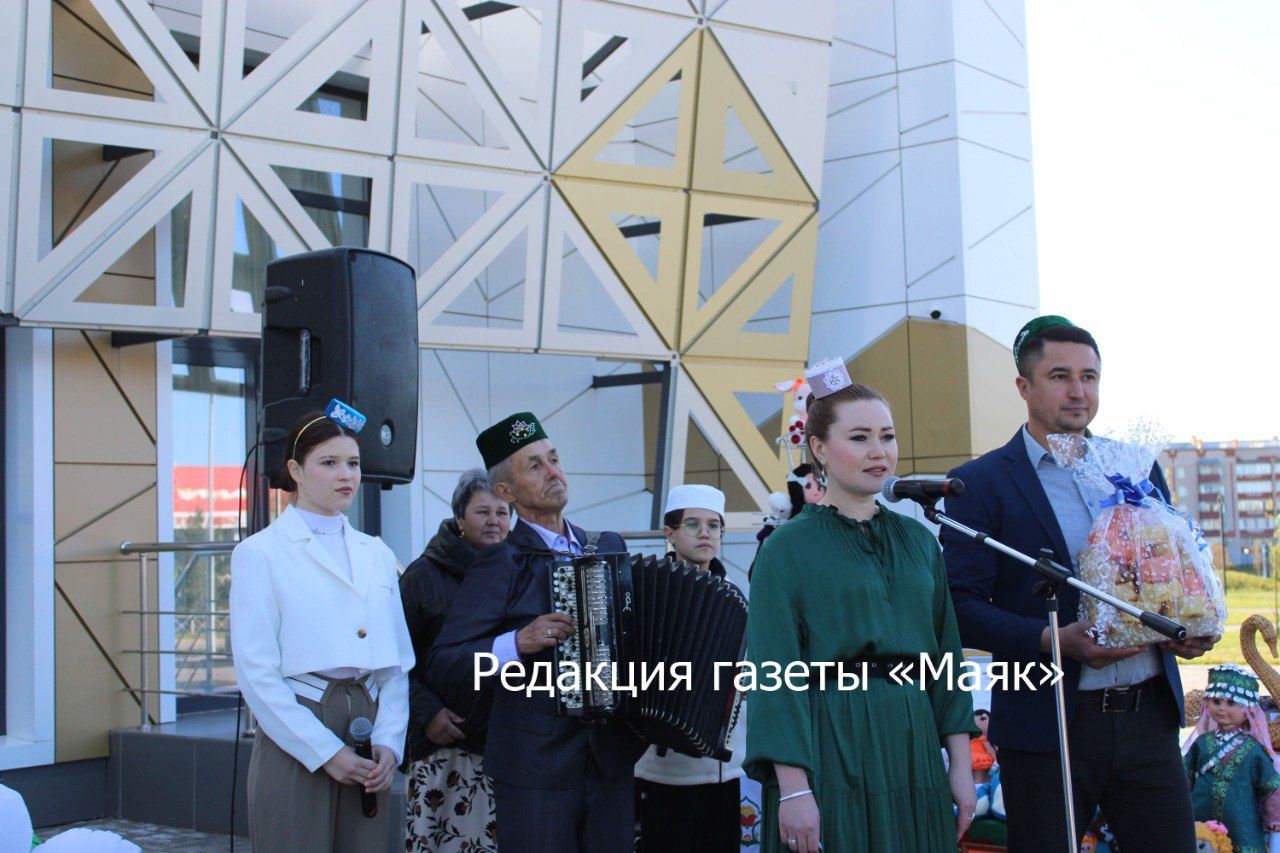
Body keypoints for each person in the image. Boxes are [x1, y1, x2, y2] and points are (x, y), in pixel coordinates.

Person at [942, 315, 1218, 851]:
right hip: (1049, 728)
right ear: (1024, 387)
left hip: (1149, 718)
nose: (1078, 391)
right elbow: (959, 606)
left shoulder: (1134, 467)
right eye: (1060, 375)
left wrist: (1182, 628)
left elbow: (1166, 574)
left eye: (1089, 377)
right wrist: (1052, 641)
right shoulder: (979, 484)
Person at [745, 359, 977, 853]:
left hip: (912, 739)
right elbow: (773, 673)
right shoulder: (785, 549)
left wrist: (960, 766)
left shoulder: (918, 540)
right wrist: (795, 790)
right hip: (831, 741)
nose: (880, 452)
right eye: (859, 438)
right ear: (819, 449)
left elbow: (948, 658)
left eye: (888, 436)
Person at [426, 412, 647, 853]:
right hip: (534, 770)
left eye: (554, 459)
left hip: (609, 762)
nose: (553, 473)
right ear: (505, 491)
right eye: (535, 466)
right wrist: (515, 643)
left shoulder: (607, 547)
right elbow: (445, 662)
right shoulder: (499, 562)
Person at [230, 409, 414, 852]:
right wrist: (325, 752)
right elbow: (256, 673)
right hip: (299, 723)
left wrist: (390, 739)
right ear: (295, 470)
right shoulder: (260, 553)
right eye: (328, 463)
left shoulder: (375, 551)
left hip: (367, 721)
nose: (345, 475)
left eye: (352, 463)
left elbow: (396, 662)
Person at [400, 469, 511, 852]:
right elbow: (396, 662)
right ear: (459, 519)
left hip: (508, 744)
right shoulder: (422, 576)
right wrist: (427, 712)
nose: (494, 522)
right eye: (483, 512)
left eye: (502, 512)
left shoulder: (519, 572)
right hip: (447, 747)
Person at [634, 484, 746, 853]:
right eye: (693, 525)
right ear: (670, 533)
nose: (705, 534)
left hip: (723, 766)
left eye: (714, 526)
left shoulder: (736, 595)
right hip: (658, 768)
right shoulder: (645, 590)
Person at [1183, 664, 1280, 852]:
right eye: (1216, 701)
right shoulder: (1202, 743)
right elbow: (1183, 777)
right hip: (1199, 821)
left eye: (1231, 703)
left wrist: (1275, 818)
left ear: (1249, 710)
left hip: (1243, 828)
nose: (1221, 708)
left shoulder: (1254, 750)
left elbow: (1270, 786)